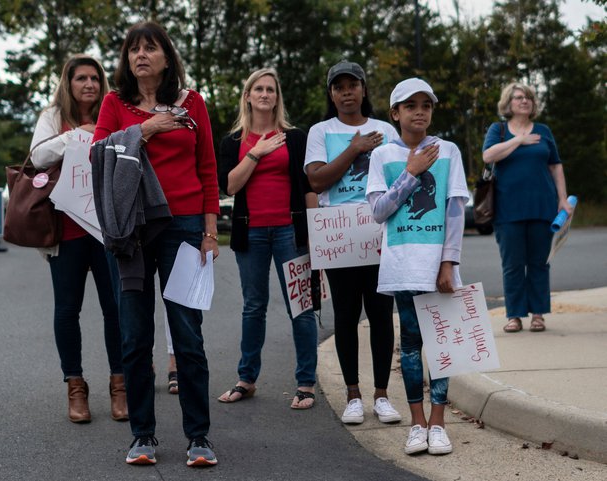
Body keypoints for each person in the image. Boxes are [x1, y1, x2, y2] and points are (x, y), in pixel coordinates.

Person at [92, 21, 219, 467]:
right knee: (134, 335)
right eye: (133, 50)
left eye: (150, 48)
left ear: (167, 57)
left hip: (184, 228)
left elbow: (207, 170)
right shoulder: (115, 103)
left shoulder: (193, 104)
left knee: (187, 335)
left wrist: (208, 232)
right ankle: (141, 435)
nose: (140, 56)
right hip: (132, 230)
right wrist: (147, 130)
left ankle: (198, 437)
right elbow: (99, 153)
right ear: (126, 60)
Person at [366, 77, 469, 455]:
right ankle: (417, 424)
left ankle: (439, 424)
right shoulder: (382, 156)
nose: (420, 112)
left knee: (442, 345)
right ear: (395, 113)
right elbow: (378, 212)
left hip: (437, 265)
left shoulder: (449, 151)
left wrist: (449, 262)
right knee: (410, 344)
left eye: (426, 105)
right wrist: (410, 173)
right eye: (411, 106)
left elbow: (456, 210)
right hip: (402, 265)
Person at [30, 54, 128, 424]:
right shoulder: (53, 117)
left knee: (115, 309)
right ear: (68, 83)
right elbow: (37, 157)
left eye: (94, 78)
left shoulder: (115, 110)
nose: (88, 84)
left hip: (107, 232)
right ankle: (75, 385)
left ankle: (120, 385)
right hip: (66, 232)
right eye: (80, 78)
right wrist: (75, 135)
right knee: (67, 310)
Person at [304, 61, 401, 425]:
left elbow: (398, 178)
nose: (346, 92)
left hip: (379, 233)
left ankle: (381, 395)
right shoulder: (320, 132)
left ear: (363, 89)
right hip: (339, 236)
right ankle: (353, 395)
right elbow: (316, 181)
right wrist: (354, 148)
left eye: (352, 85)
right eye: (338, 86)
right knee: (345, 315)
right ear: (331, 94)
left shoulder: (386, 130)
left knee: (380, 315)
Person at [217, 68, 318, 409]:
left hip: (290, 232)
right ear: (247, 96)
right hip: (252, 233)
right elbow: (230, 186)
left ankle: (306, 383)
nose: (264, 94)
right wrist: (256, 152)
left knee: (300, 308)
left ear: (277, 97)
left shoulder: (295, 137)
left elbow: (308, 187)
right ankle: (246, 379)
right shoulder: (232, 142)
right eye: (258, 89)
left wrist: (315, 233)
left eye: (270, 89)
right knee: (253, 307)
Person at [482, 82, 572, 334]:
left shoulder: (543, 131)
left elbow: (556, 166)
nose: (524, 101)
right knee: (512, 264)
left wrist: (562, 199)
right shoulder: (498, 129)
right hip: (507, 209)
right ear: (508, 104)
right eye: (518, 97)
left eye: (528, 98)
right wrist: (520, 140)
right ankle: (514, 315)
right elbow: (488, 156)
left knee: (539, 263)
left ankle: (538, 314)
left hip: (542, 206)